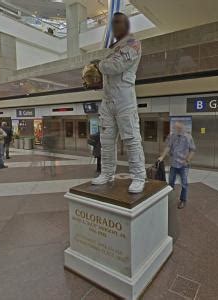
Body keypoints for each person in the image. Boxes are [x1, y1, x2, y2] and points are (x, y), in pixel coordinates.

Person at [91, 12, 146, 193]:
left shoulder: (133, 44)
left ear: (127, 24)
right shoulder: (113, 49)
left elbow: (114, 66)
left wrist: (100, 63)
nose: (115, 26)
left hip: (124, 99)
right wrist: (103, 63)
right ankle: (107, 173)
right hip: (107, 101)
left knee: (131, 138)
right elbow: (109, 66)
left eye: (118, 22)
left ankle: (139, 176)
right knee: (106, 141)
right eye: (113, 23)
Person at [158, 122, 196, 209]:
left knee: (184, 183)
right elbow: (168, 147)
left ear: (182, 128)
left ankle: (183, 200)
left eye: (178, 128)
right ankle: (169, 197)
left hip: (184, 164)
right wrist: (162, 157)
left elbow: (192, 150)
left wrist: (187, 160)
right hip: (174, 163)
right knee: (171, 182)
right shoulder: (172, 136)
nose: (176, 130)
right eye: (175, 128)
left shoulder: (188, 137)